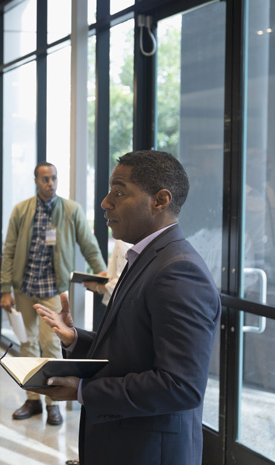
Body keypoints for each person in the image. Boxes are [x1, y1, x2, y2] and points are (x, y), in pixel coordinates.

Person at [31, 150, 221, 465]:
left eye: (119, 192)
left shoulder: (178, 271)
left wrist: (83, 391)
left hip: (147, 451)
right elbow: (135, 350)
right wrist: (75, 339)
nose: (106, 202)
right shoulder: (148, 257)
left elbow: (180, 386)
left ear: (160, 200)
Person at [0, 161, 106, 425]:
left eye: (54, 178)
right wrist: (5, 289)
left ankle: (52, 402)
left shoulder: (71, 210)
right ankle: (33, 400)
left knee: (50, 346)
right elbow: (9, 250)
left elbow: (89, 244)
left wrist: (102, 273)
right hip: (25, 289)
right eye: (45, 179)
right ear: (36, 181)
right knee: (27, 344)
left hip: (52, 291)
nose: (51, 183)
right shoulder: (22, 210)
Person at [81, 239, 130, 305]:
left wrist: (97, 287)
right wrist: (109, 275)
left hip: (119, 304)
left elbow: (122, 282)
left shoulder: (121, 242)